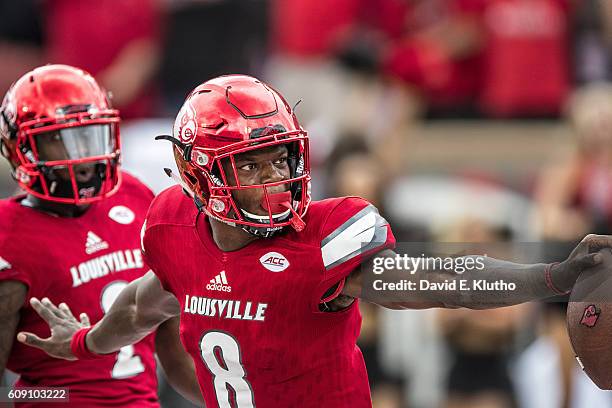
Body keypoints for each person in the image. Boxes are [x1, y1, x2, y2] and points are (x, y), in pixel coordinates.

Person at [18, 74, 612, 407]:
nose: (273, 179)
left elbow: (437, 279)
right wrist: (85, 344)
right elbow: (144, 305)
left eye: (281, 158)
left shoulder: (324, 236)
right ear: (200, 174)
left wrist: (549, 278)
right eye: (250, 165)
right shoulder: (172, 224)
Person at [0, 64, 201, 407]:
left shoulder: (135, 197)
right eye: (59, 141)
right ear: (21, 148)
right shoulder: (9, 233)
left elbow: (175, 347)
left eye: (88, 136)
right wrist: (54, 397)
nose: (82, 158)